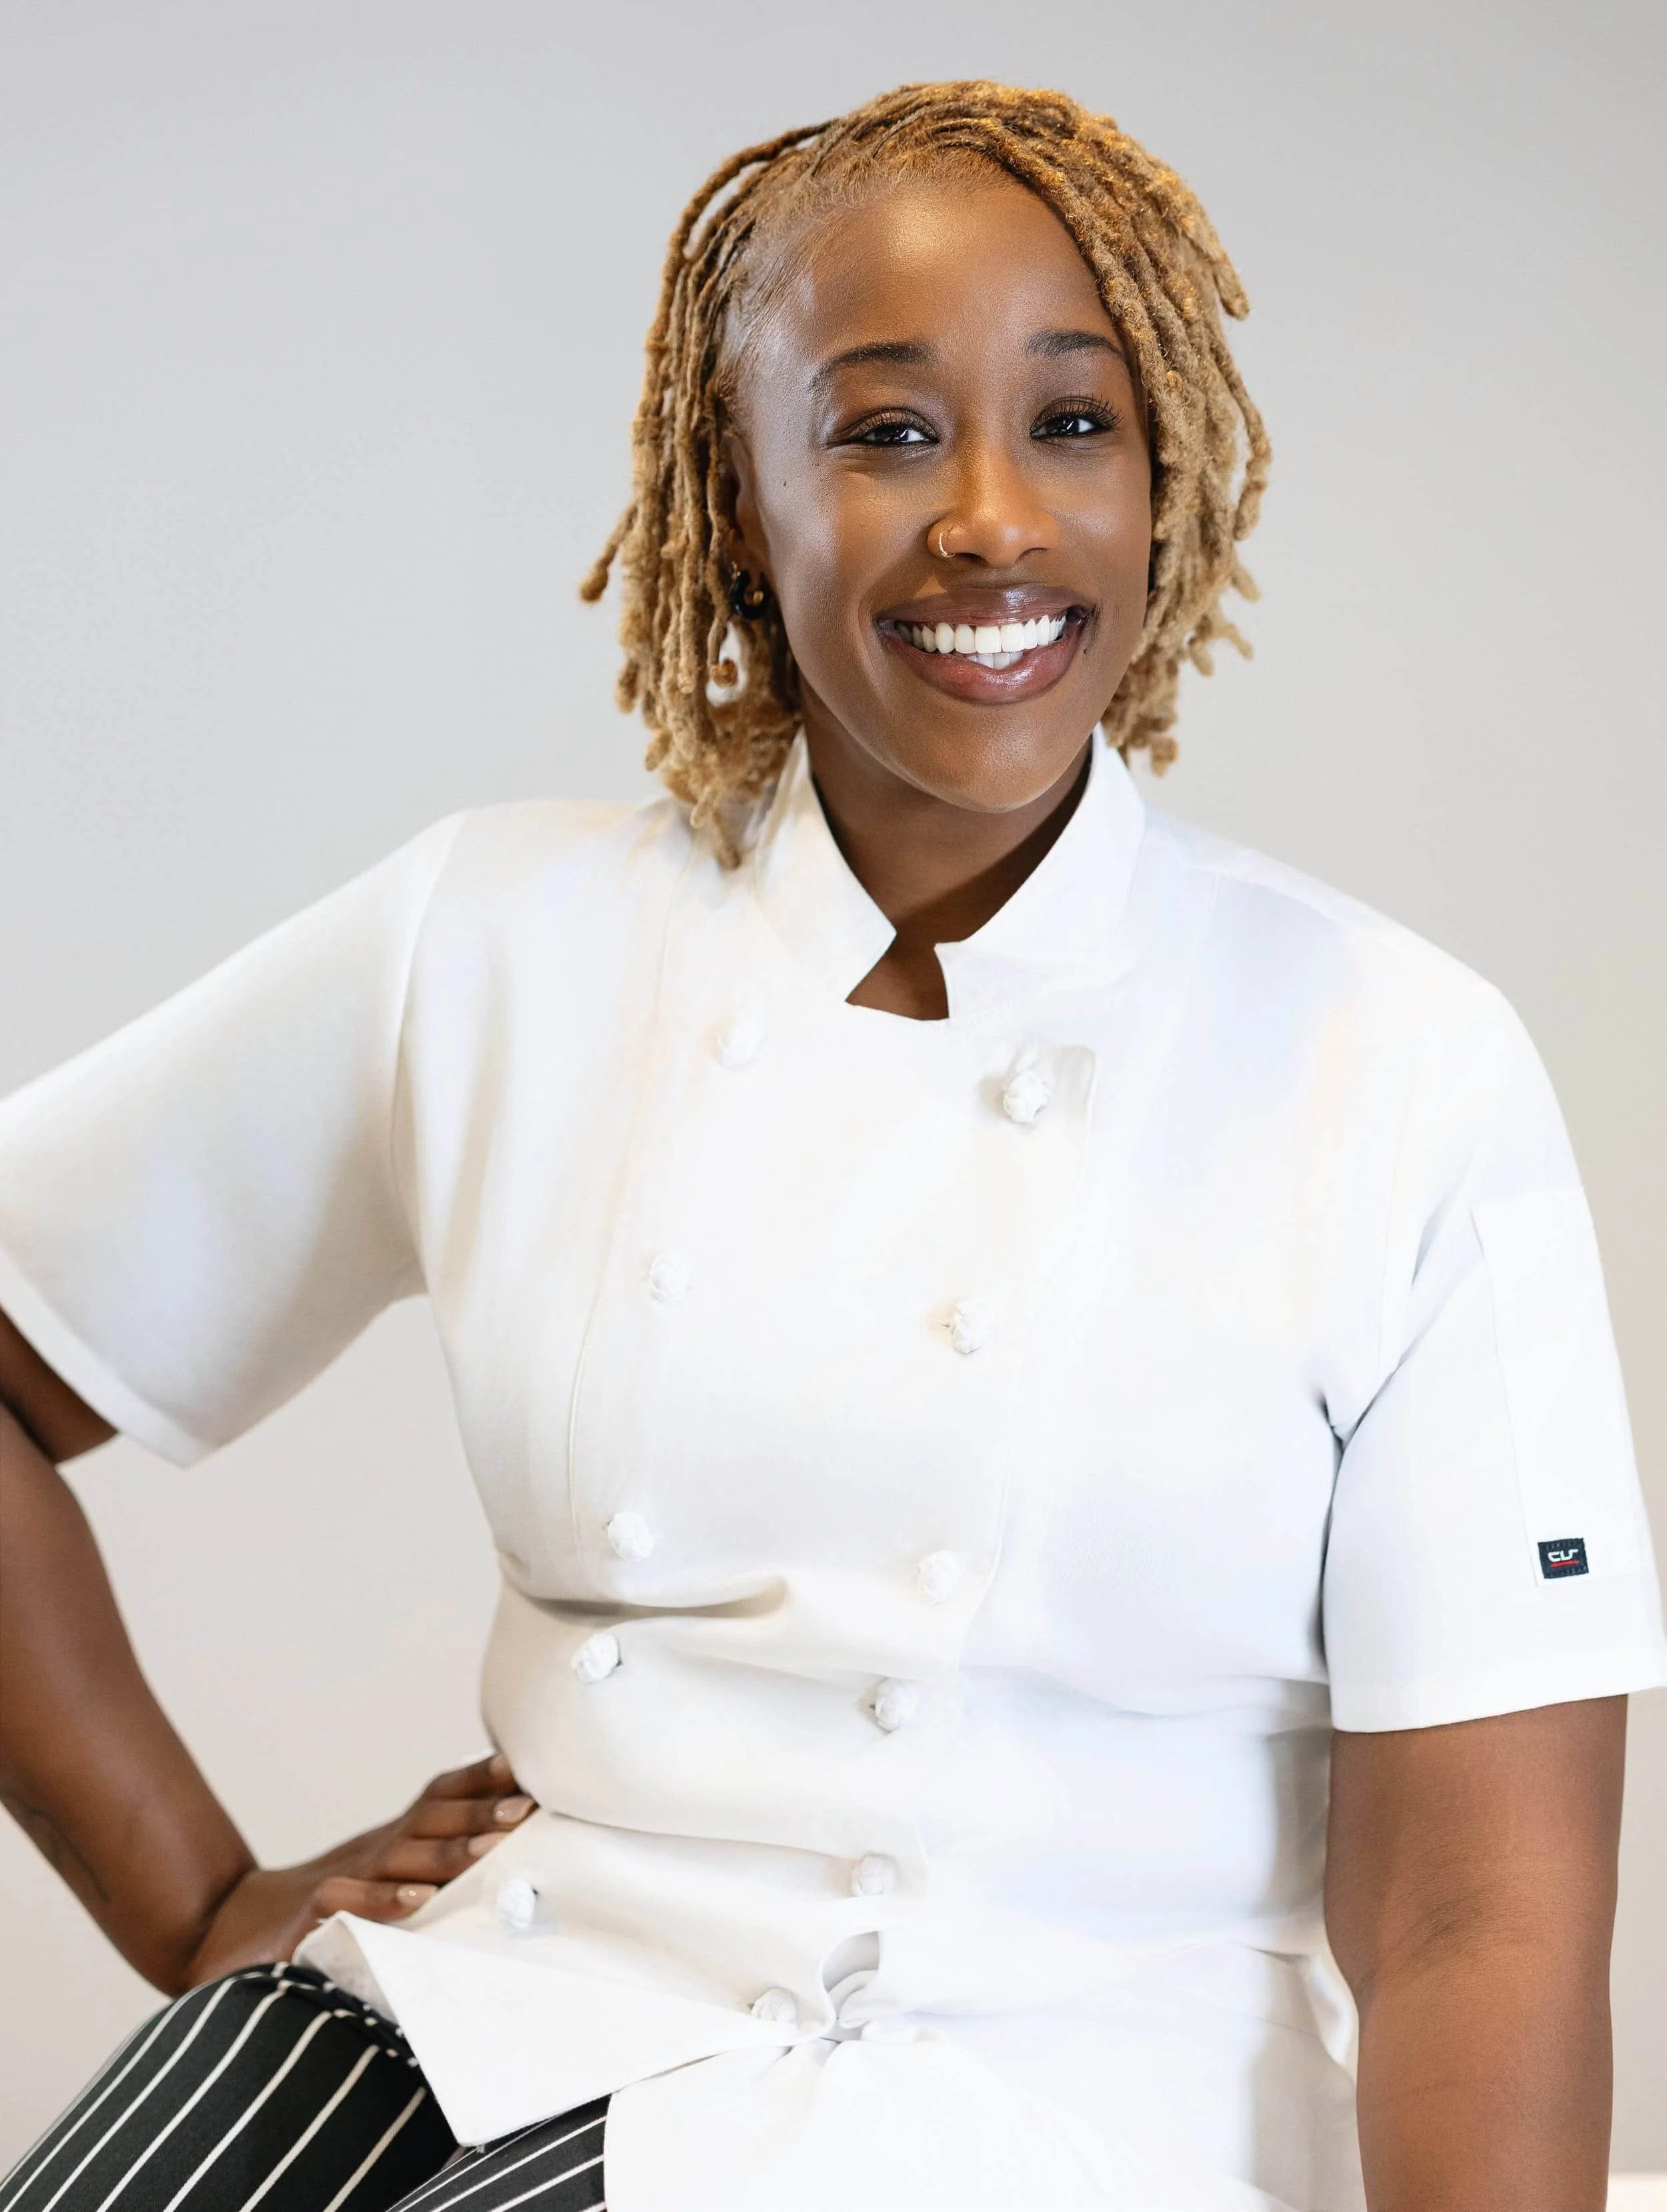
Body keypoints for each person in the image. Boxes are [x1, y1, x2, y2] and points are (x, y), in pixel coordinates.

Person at [0, 76, 1661, 2212]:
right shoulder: (494, 938)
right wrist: (200, 1899)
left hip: (1060, 2094)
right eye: (883, 429)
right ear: (733, 486)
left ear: (1166, 482)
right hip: (514, 1989)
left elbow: (1479, 1919)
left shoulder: (1392, 1055)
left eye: (1070, 423)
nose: (990, 517)